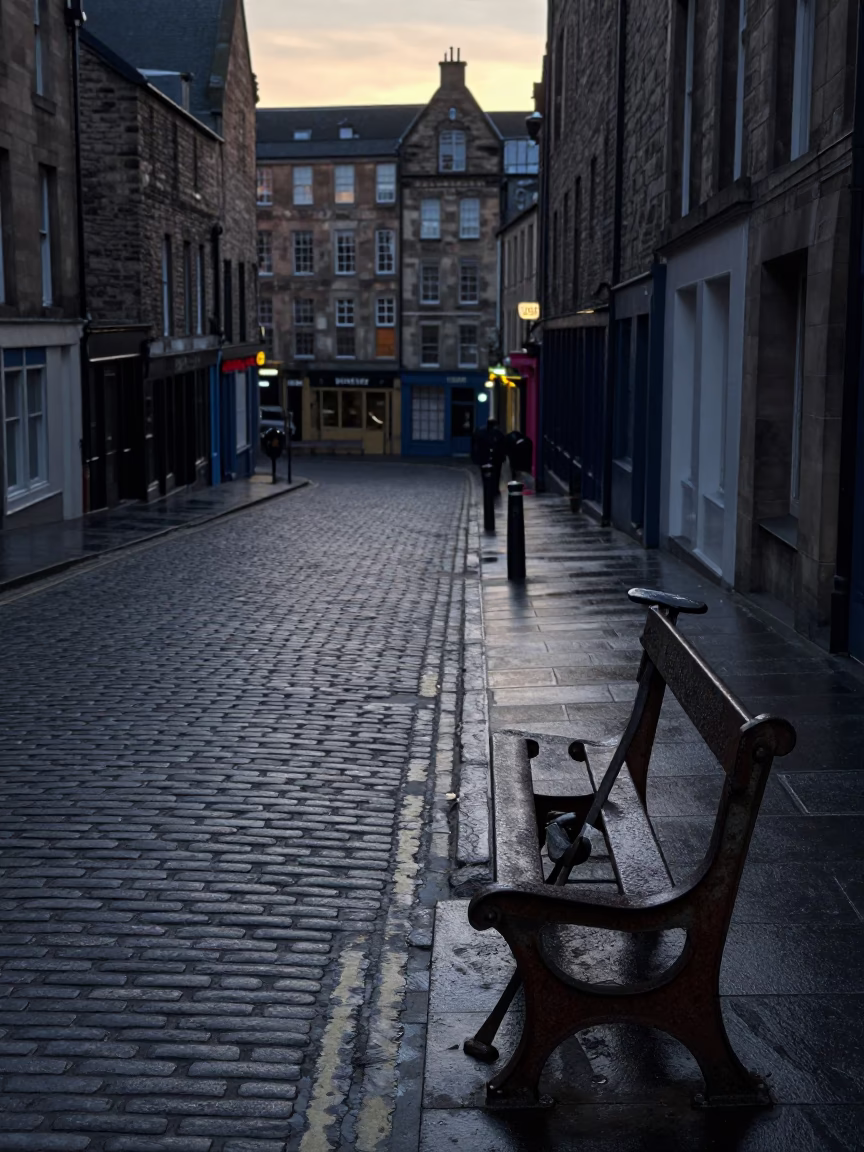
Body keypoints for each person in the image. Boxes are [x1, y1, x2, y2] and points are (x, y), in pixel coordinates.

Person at [471, 417, 507, 492]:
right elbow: (503, 446)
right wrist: (503, 457)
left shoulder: (480, 432)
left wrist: (476, 458)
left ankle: (487, 489)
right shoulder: (499, 433)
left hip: (484, 458)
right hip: (496, 458)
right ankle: (495, 489)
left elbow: (475, 446)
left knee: (485, 475)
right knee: (496, 474)